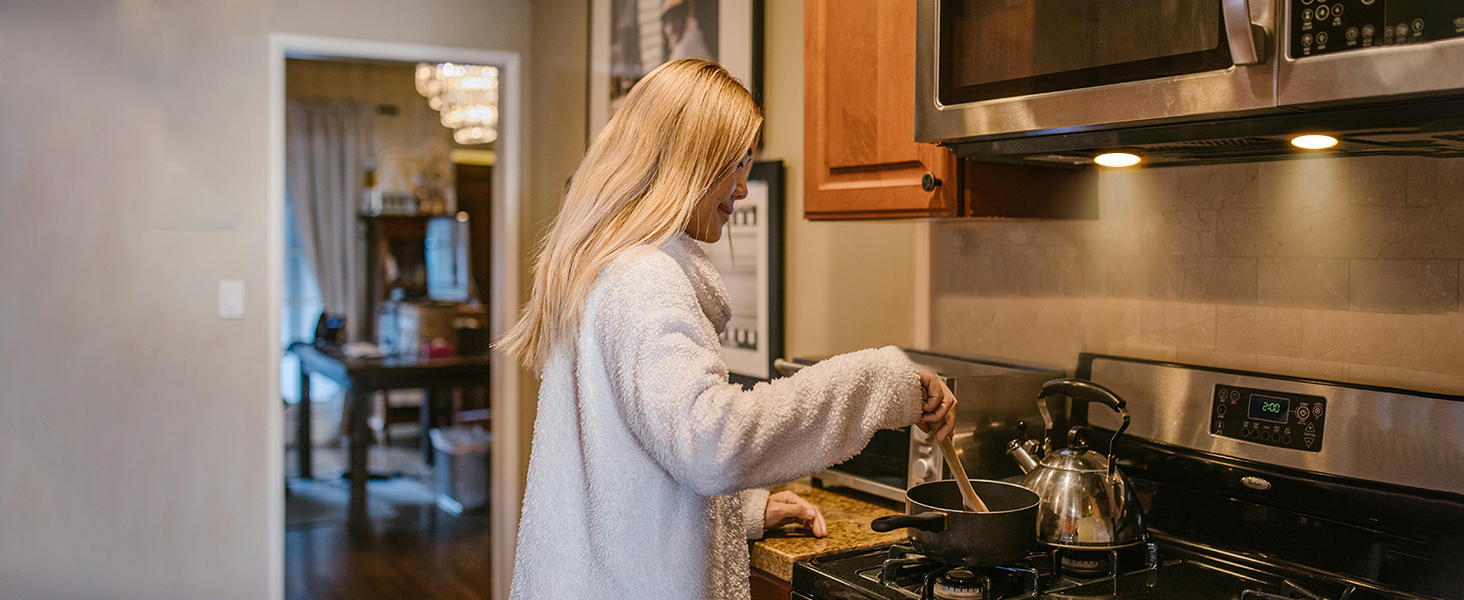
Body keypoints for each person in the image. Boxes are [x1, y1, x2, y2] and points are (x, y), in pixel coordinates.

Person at [499, 58, 957, 600]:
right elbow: (712, 443)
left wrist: (743, 510)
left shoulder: (605, 270)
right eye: (734, 164)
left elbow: (628, 472)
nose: (742, 188)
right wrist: (880, 381)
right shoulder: (644, 278)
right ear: (685, 162)